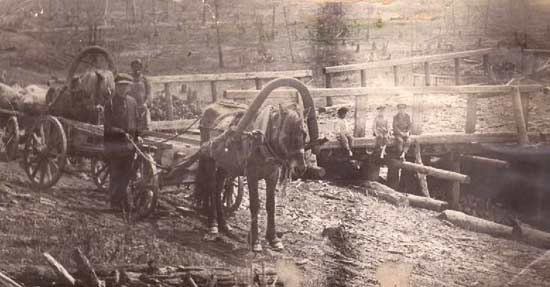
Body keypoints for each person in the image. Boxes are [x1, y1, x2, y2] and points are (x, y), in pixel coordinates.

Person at [104, 73, 139, 211]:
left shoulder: (132, 102)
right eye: (119, 86)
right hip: (115, 144)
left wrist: (137, 136)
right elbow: (107, 126)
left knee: (128, 173)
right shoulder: (110, 104)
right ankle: (114, 203)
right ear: (115, 87)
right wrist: (121, 132)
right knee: (116, 174)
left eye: (125, 86)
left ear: (129, 88)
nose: (122, 89)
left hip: (130, 145)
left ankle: (124, 202)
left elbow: (136, 122)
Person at [129, 59, 152, 131]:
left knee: (144, 127)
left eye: (138, 67)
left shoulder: (144, 79)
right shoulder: (128, 79)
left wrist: (146, 103)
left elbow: (149, 93)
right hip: (131, 106)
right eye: (135, 67)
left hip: (142, 106)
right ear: (132, 68)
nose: (136, 69)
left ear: (141, 68)